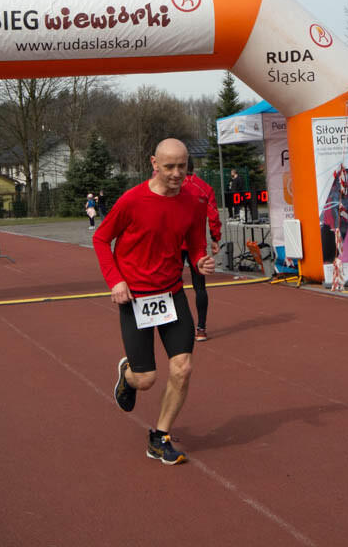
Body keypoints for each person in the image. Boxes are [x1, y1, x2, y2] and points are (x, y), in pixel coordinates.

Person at [94, 138, 215, 466]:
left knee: (183, 367)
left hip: (172, 294)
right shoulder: (132, 201)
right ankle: (129, 373)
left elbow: (196, 242)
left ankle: (159, 437)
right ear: (154, 164)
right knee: (146, 380)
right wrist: (115, 280)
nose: (177, 173)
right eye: (170, 166)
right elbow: (101, 238)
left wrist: (202, 259)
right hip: (134, 296)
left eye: (183, 166)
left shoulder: (194, 202)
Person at [181, 157, 222, 341]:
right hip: (197, 246)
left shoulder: (174, 187)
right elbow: (213, 214)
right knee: (200, 287)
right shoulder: (204, 188)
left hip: (176, 244)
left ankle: (179, 327)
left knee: (173, 286)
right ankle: (201, 328)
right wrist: (215, 238)